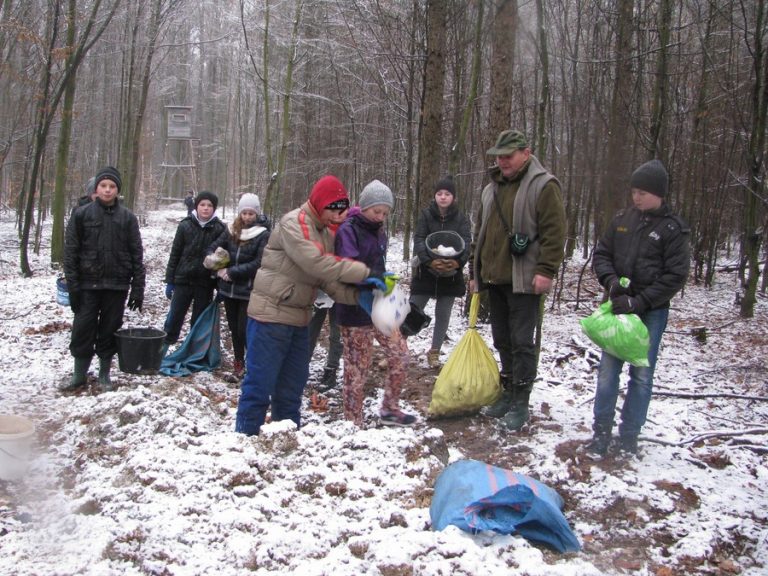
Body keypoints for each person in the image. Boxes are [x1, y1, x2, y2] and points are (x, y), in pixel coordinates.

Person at [235, 175, 376, 436]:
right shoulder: (295, 223)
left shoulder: (323, 231)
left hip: (299, 319)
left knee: (291, 388)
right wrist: (364, 273)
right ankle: (245, 441)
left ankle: (285, 441)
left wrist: (357, 297)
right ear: (321, 203)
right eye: (334, 210)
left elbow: (326, 279)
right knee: (259, 385)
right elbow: (316, 263)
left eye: (342, 211)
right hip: (270, 317)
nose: (339, 217)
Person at [586, 159, 690, 456]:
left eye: (643, 192)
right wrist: (611, 283)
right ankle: (601, 433)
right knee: (607, 371)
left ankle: (629, 435)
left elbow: (675, 276)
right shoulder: (622, 219)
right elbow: (602, 253)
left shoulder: (673, 229)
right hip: (617, 307)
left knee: (642, 375)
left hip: (651, 311)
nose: (637, 197)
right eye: (634, 191)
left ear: (659, 194)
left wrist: (640, 301)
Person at [470, 129, 566, 431]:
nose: (502, 162)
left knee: (522, 342)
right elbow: (480, 233)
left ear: (526, 152)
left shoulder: (544, 186)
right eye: (499, 157)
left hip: (524, 279)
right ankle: (507, 393)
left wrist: (546, 270)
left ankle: (521, 401)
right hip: (494, 277)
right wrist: (475, 272)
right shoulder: (490, 189)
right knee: (502, 339)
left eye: (508, 156)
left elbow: (554, 232)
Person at [335, 179, 416, 427]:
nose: (380, 216)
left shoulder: (379, 231)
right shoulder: (348, 230)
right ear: (364, 206)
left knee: (400, 354)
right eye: (376, 211)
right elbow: (347, 268)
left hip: (380, 308)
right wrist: (373, 278)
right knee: (357, 369)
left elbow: (377, 263)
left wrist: (386, 280)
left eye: (385, 213)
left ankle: (390, 408)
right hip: (354, 307)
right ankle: (353, 421)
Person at [61, 166, 145, 391]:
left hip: (116, 286)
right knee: (82, 330)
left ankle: (104, 374)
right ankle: (79, 375)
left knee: (109, 330)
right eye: (103, 186)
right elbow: (70, 252)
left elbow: (137, 253)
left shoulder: (128, 218)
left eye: (112, 187)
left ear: (118, 191)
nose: (107, 190)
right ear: (96, 189)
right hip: (88, 285)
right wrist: (73, 286)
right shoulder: (81, 214)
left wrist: (138, 287)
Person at [205, 193, 270, 378]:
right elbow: (213, 246)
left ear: (256, 213)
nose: (247, 217)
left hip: (248, 290)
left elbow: (259, 262)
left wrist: (232, 272)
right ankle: (238, 361)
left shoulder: (263, 234)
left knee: (245, 329)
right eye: (244, 213)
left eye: (251, 213)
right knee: (234, 329)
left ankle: (254, 363)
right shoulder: (232, 230)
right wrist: (215, 262)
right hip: (228, 290)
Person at [409, 175, 471, 368]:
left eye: (447, 194)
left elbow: (467, 243)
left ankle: (434, 352)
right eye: (439, 193)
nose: (443, 197)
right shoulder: (426, 215)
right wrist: (428, 262)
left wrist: (457, 263)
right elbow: (419, 239)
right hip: (426, 273)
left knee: (443, 314)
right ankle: (396, 347)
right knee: (411, 311)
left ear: (453, 197)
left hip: (450, 276)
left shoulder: (461, 218)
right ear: (435, 196)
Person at [163, 191, 226, 348]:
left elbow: (222, 261)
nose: (205, 208)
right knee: (175, 316)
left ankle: (193, 351)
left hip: (205, 283)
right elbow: (175, 254)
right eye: (202, 205)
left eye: (210, 205)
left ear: (214, 208)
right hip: (183, 280)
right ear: (196, 206)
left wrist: (220, 287)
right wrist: (170, 280)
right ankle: (164, 347)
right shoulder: (185, 225)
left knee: (199, 320)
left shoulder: (220, 229)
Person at [308, 293, 343, 391]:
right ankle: (301, 364)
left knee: (337, 333)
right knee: (310, 331)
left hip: (340, 290)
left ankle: (331, 370)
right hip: (319, 288)